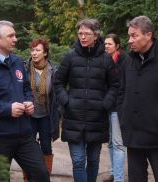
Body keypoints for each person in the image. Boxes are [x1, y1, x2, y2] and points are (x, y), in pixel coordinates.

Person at [0, 20, 50, 182]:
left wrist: (29, 102)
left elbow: (26, 88)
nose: (15, 39)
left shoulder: (17, 61)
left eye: (15, 35)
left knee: (41, 175)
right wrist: (6, 109)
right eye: (11, 36)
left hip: (24, 135)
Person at [118, 15, 158, 182]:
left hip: (157, 135)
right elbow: (121, 91)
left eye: (134, 35)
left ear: (149, 35)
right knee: (135, 178)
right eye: (129, 36)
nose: (129, 40)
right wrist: (123, 115)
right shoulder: (127, 62)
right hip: (133, 135)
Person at [54, 18, 119, 182]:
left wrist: (105, 104)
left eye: (87, 34)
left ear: (96, 35)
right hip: (73, 118)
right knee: (78, 160)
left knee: (93, 160)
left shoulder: (106, 59)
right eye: (80, 33)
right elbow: (58, 82)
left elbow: (115, 85)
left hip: (97, 119)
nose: (82, 37)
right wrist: (66, 102)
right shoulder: (70, 57)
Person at [22, 38, 60, 181]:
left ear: (45, 53)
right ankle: (28, 178)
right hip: (29, 115)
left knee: (46, 148)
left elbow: (56, 95)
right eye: (32, 50)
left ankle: (44, 178)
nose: (34, 53)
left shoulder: (52, 70)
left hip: (45, 116)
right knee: (27, 149)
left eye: (38, 50)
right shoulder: (25, 67)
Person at [104, 34, 126, 182]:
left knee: (118, 144)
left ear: (117, 45)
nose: (106, 46)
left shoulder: (124, 61)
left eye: (109, 44)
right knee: (110, 143)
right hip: (107, 106)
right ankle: (113, 173)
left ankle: (119, 178)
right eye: (105, 44)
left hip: (119, 107)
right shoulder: (104, 61)